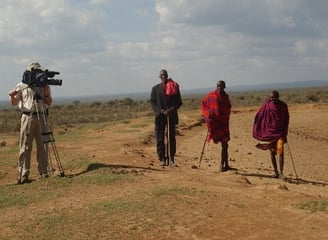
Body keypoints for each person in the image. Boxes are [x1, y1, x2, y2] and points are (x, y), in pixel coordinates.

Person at [9, 62, 53, 184]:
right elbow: (13, 103)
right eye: (35, 72)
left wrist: (46, 93)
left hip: (42, 116)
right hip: (27, 116)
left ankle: (43, 171)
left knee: (43, 145)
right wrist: (12, 96)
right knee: (25, 146)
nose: (37, 75)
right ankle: (24, 173)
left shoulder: (44, 85)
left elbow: (49, 103)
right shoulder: (21, 86)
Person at [253, 90, 289, 179]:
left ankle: (281, 173)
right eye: (271, 97)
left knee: (280, 152)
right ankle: (275, 172)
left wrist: (284, 132)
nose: (272, 99)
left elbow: (286, 119)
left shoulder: (283, 106)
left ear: (278, 97)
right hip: (270, 133)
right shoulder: (267, 105)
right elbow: (260, 116)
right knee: (272, 152)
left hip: (279, 132)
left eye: (274, 97)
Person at [150, 69, 182, 167]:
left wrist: (171, 109)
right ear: (159, 77)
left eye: (165, 75)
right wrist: (161, 111)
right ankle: (162, 158)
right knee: (160, 138)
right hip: (160, 116)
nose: (163, 77)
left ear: (167, 76)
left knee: (171, 137)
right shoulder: (155, 88)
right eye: (162, 75)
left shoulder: (174, 87)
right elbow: (152, 102)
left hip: (171, 116)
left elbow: (179, 102)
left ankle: (171, 158)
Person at [201, 80, 232, 172]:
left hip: (224, 123)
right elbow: (204, 104)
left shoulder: (226, 97)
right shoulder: (211, 96)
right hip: (215, 123)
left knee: (225, 144)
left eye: (221, 86)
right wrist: (208, 115)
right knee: (224, 143)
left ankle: (225, 164)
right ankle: (222, 165)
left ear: (224, 87)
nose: (219, 88)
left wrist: (225, 116)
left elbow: (228, 107)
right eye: (218, 86)